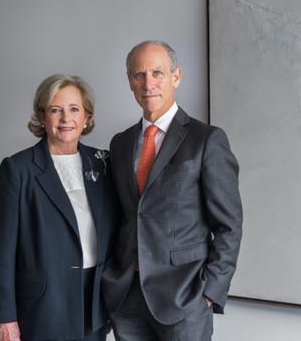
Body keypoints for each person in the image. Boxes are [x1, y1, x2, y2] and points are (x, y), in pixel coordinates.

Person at [102, 40, 243, 341]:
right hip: (127, 297)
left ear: (176, 77)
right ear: (129, 81)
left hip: (185, 297)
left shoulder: (206, 140)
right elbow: (121, 216)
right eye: (139, 74)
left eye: (157, 73)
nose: (148, 83)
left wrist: (210, 292)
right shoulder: (120, 143)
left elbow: (229, 225)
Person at [0, 74, 117, 341]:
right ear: (43, 116)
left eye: (74, 109)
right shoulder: (17, 169)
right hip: (43, 305)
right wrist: (6, 317)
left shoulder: (104, 163)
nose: (65, 119)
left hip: (94, 300)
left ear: (87, 117)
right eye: (55, 110)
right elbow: (1, 250)